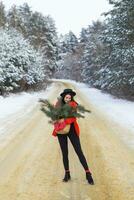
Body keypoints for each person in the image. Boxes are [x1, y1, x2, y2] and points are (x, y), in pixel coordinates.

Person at [52, 88, 94, 185]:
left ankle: (88, 173)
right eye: (66, 97)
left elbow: (73, 117)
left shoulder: (74, 105)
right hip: (60, 131)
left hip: (72, 130)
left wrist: (64, 120)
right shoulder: (58, 104)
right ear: (63, 97)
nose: (68, 99)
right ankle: (67, 173)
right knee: (64, 152)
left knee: (79, 151)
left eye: (69, 98)